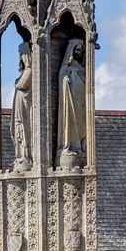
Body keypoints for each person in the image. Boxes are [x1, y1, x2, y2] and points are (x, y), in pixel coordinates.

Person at [57, 39, 86, 167]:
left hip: (81, 102)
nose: (79, 52)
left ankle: (80, 147)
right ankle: (68, 146)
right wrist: (66, 82)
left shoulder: (82, 68)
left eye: (80, 50)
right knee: (69, 123)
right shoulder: (66, 68)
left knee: (81, 125)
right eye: (77, 49)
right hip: (70, 100)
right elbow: (62, 81)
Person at [11, 41, 32, 170]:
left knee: (23, 130)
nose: (21, 57)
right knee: (19, 130)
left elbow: (20, 85)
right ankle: (21, 156)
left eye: (22, 54)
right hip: (19, 105)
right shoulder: (26, 72)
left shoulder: (29, 71)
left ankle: (25, 156)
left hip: (24, 106)